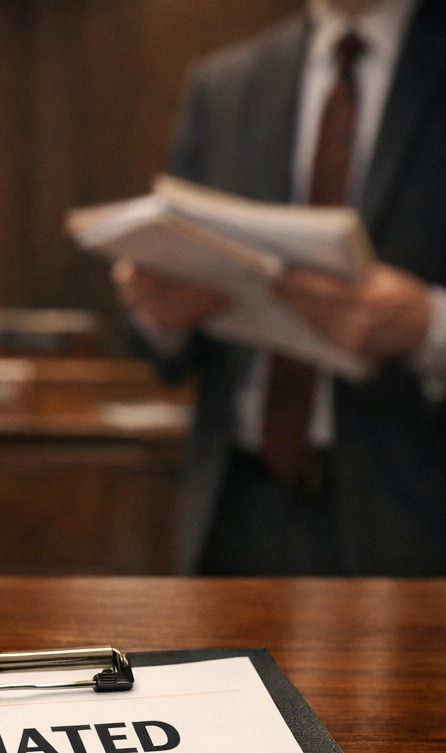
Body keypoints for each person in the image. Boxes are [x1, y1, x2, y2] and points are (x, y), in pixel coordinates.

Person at [114, 0, 446, 575]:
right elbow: (166, 347)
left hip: (412, 521)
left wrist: (429, 328)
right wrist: (154, 306)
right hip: (236, 513)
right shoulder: (226, 83)